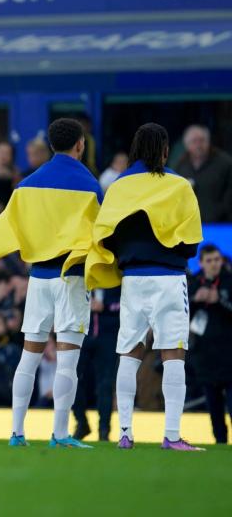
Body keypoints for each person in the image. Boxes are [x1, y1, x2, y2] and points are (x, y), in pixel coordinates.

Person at [0, 118, 103, 449]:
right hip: (72, 278)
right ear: (80, 145)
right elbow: (102, 237)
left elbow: (3, 230)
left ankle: (17, 432)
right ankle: (60, 434)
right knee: (68, 359)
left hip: (38, 278)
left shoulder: (26, 185)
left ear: (51, 145)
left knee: (30, 355)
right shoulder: (90, 185)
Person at [85, 123, 204, 451]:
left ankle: (125, 432)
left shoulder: (119, 188)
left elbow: (104, 234)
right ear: (166, 150)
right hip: (169, 278)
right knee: (174, 355)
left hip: (133, 280)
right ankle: (172, 435)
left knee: (129, 353)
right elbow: (192, 242)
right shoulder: (179, 186)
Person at [188, 244, 232, 444]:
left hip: (229, 355)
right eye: (209, 260)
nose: (214, 264)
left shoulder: (230, 281)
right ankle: (220, 443)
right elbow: (182, 315)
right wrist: (195, 301)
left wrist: (220, 301)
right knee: (213, 408)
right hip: (204, 356)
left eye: (217, 260)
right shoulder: (194, 283)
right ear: (201, 263)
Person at [71, 287, 121, 442]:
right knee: (72, 379)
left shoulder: (115, 277)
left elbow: (126, 304)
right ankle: (81, 423)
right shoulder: (81, 277)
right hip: (81, 334)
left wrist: (105, 306)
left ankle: (104, 430)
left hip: (108, 336)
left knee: (105, 384)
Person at [174, 125, 232, 222]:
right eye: (194, 141)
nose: (198, 145)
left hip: (221, 225)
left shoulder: (225, 163)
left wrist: (220, 213)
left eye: (202, 140)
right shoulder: (181, 166)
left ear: (208, 142)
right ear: (186, 145)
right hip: (191, 225)